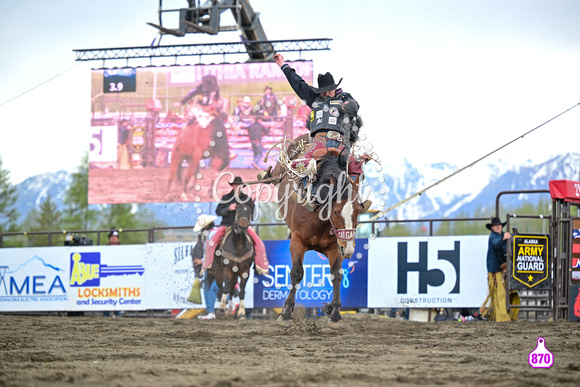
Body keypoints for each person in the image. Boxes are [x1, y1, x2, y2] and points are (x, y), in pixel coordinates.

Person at [203, 176, 269, 276]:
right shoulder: (226, 198)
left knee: (259, 243)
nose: (237, 186)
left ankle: (259, 266)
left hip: (244, 226)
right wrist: (228, 208)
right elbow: (218, 211)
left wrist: (251, 207)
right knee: (211, 243)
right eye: (235, 185)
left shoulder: (247, 199)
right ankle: (209, 265)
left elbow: (251, 214)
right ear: (232, 186)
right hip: (227, 225)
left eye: (239, 185)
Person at [480, 217, 519, 322]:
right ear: (492, 228)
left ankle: (510, 317)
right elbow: (496, 244)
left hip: (504, 270)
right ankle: (502, 318)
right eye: (496, 225)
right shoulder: (493, 237)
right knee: (500, 295)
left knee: (511, 294)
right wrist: (504, 239)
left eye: (499, 225)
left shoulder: (501, 236)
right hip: (496, 272)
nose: (498, 227)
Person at [191, 215, 220, 320]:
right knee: (208, 288)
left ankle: (213, 311)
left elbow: (214, 252)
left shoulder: (213, 233)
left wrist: (202, 261)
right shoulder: (211, 234)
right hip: (211, 266)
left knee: (212, 288)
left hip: (216, 266)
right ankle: (211, 312)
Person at [104, 229, 122, 317]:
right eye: (112, 236)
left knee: (119, 293)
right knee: (105, 293)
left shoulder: (123, 249)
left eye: (115, 236)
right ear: (109, 238)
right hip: (107, 276)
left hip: (119, 276)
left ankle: (118, 313)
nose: (114, 238)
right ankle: (106, 313)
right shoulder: (105, 248)